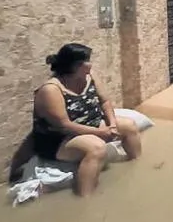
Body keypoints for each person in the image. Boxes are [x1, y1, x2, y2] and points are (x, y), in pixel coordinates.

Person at [32, 43, 142, 196]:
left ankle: (137, 167)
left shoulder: (90, 76)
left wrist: (113, 125)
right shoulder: (51, 89)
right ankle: (85, 197)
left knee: (129, 126)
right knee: (96, 147)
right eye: (86, 61)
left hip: (93, 123)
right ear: (74, 66)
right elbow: (64, 125)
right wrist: (100, 133)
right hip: (60, 139)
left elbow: (105, 101)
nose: (90, 64)